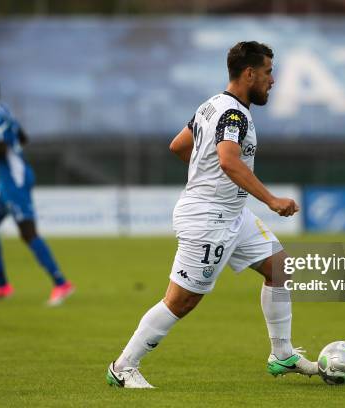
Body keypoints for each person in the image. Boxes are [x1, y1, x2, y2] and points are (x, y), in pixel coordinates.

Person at [106, 41, 317, 388]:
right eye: (267, 73)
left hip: (232, 213)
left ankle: (282, 354)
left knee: (279, 267)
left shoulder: (211, 106)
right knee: (182, 300)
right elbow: (229, 160)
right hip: (209, 218)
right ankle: (123, 366)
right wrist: (270, 200)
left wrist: (205, 171)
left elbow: (178, 146)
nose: (272, 81)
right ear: (249, 73)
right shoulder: (233, 113)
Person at [0, 77, 75, 306]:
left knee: (28, 233)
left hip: (15, 182)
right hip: (5, 181)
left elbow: (1, 148)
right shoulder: (0, 112)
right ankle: (2, 286)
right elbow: (22, 137)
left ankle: (61, 283)